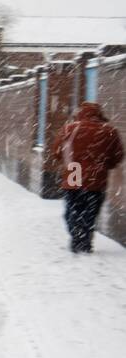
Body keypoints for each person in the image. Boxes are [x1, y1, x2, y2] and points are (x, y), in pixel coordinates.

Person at [51, 101, 124, 253]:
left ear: (80, 113)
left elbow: (57, 151)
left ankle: (77, 235)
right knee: (90, 211)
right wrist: (105, 164)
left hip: (74, 172)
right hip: (97, 176)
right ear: (99, 113)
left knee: (73, 208)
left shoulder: (70, 128)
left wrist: (69, 161)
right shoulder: (109, 131)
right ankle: (84, 237)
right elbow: (117, 155)